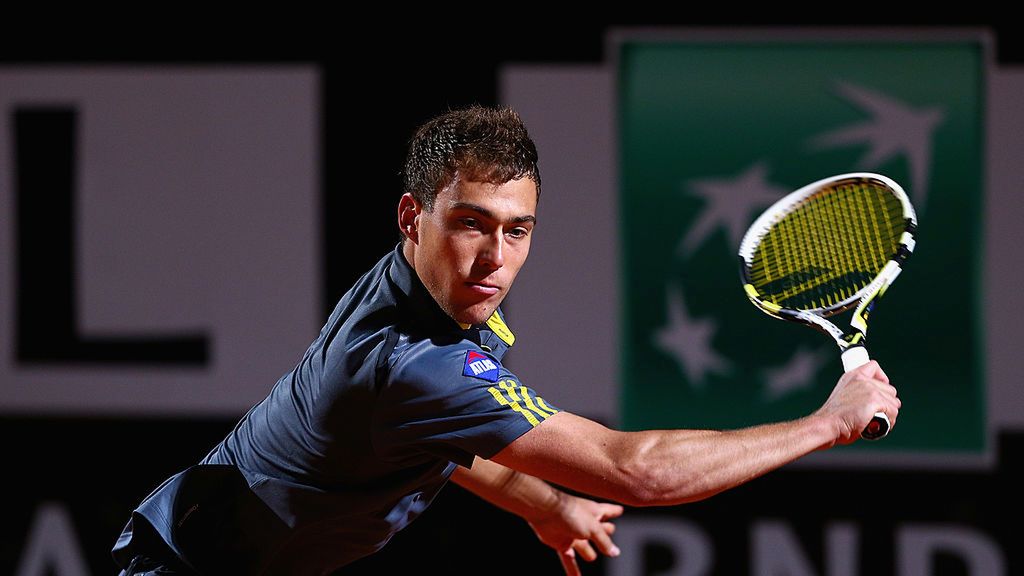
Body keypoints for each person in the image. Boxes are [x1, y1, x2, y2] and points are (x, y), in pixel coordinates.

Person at [111, 104, 900, 576]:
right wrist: (826, 423)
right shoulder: (405, 362)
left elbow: (445, 440)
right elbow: (637, 473)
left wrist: (547, 506)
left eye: (517, 230)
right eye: (471, 225)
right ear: (411, 218)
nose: (495, 259)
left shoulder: (431, 297)